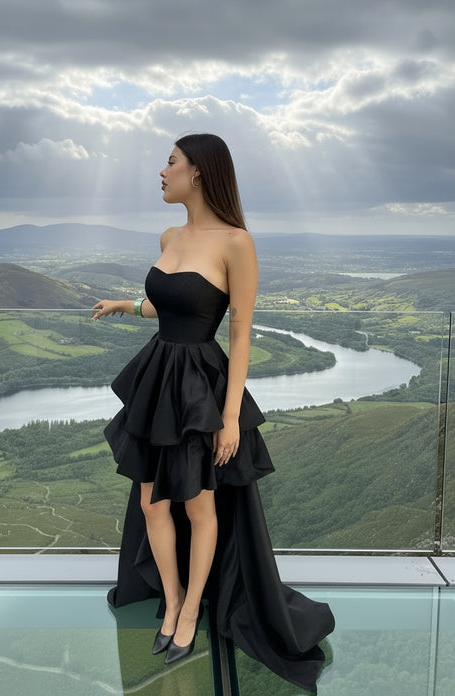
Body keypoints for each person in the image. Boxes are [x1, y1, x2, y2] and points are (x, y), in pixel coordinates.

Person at [92, 134, 334, 691]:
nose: (162, 172)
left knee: (199, 505)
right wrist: (127, 304)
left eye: (170, 162)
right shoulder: (169, 235)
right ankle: (173, 597)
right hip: (158, 378)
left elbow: (240, 331)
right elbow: (169, 305)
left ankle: (190, 610)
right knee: (152, 502)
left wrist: (229, 418)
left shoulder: (236, 242)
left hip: (200, 387)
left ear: (198, 171)